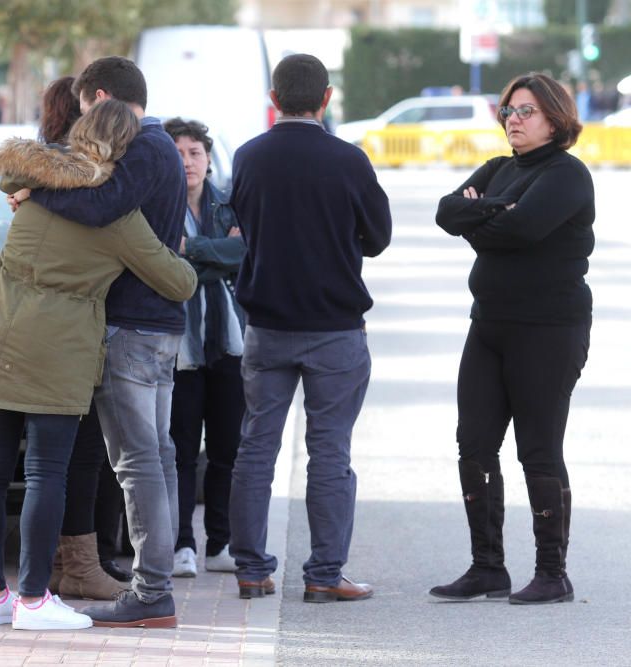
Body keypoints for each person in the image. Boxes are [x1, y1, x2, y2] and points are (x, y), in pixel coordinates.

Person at [0, 99, 196, 631]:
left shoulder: (32, 191)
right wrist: (181, 251)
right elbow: (179, 282)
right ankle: (35, 601)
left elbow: (12, 179)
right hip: (55, 353)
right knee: (45, 474)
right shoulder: (117, 218)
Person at [11, 55, 189, 629]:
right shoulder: (157, 143)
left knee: (139, 464)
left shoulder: (144, 143)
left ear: (101, 97)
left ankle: (151, 590)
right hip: (156, 326)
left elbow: (100, 209)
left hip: (133, 327)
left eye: (85, 107)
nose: (84, 125)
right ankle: (153, 586)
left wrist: (37, 195)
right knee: (156, 459)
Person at [228, 54, 391, 602]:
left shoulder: (249, 158)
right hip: (335, 329)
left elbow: (242, 224)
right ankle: (324, 575)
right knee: (330, 452)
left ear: (274, 100)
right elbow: (379, 235)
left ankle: (251, 569)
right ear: (326, 98)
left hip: (267, 326)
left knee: (255, 449)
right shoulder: (349, 160)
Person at [431, 73, 594, 606]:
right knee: (473, 445)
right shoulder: (501, 170)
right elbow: (445, 211)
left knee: (538, 452)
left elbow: (523, 230)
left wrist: (479, 216)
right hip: (490, 325)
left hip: (548, 330)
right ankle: (487, 566)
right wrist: (491, 211)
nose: (514, 121)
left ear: (554, 117)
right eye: (508, 112)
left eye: (525, 111)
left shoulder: (567, 175)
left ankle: (553, 572)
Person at [36, 76, 127, 602]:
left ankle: (53, 565)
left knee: (39, 462)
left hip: (36, 339)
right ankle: (80, 566)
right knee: (86, 455)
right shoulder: (88, 187)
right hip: (79, 339)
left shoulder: (29, 184)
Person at [163, 117, 246, 578]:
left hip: (228, 343)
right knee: (179, 450)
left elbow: (244, 253)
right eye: (177, 153)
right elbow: (162, 258)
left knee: (226, 449)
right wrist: (216, 252)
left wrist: (191, 251)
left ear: (208, 159)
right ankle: (181, 545)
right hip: (178, 347)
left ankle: (221, 542)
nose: (187, 162)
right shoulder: (158, 205)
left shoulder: (228, 204)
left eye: (195, 153)